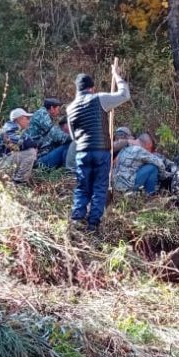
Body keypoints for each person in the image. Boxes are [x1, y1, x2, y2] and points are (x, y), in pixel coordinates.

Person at [67, 59, 131, 231]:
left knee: (82, 187)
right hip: (101, 151)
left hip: (82, 152)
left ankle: (77, 219)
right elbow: (124, 95)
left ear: (77, 89)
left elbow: (73, 136)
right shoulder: (99, 99)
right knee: (100, 187)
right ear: (92, 88)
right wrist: (117, 76)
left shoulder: (70, 108)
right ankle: (93, 224)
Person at [0, 108, 38, 184]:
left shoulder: (16, 129)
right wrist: (34, 145)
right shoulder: (10, 128)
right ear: (19, 119)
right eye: (27, 118)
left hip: (4, 162)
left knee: (30, 152)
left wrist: (32, 144)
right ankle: (19, 182)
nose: (29, 121)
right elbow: (19, 144)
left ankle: (16, 181)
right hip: (0, 165)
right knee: (30, 152)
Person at [28, 97, 71, 169]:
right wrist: (73, 137)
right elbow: (55, 134)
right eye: (58, 109)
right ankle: (68, 170)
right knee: (69, 145)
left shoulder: (43, 114)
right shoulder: (42, 114)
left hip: (38, 155)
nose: (58, 112)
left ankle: (66, 169)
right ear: (52, 108)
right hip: (38, 159)